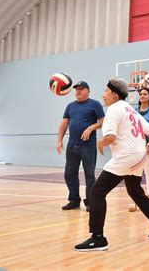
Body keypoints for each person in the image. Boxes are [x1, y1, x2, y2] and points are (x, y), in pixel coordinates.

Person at [74, 78, 149, 252]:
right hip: (139, 155)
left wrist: (100, 144)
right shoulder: (131, 110)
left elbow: (110, 138)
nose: (103, 95)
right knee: (134, 190)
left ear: (114, 94)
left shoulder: (113, 110)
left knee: (97, 191)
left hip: (126, 156)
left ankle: (98, 238)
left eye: (105, 91)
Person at [57, 81, 104, 212]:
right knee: (69, 174)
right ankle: (74, 200)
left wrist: (91, 127)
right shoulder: (70, 106)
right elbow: (64, 124)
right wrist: (59, 140)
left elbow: (102, 121)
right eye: (77, 89)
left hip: (87, 146)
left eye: (81, 89)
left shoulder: (95, 104)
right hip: (72, 146)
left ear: (88, 91)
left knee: (89, 175)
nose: (78, 91)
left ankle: (90, 202)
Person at [129, 87, 149, 212]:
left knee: (148, 169)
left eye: (144, 94)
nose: (142, 96)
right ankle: (135, 198)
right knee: (135, 171)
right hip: (136, 146)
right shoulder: (134, 111)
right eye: (140, 94)